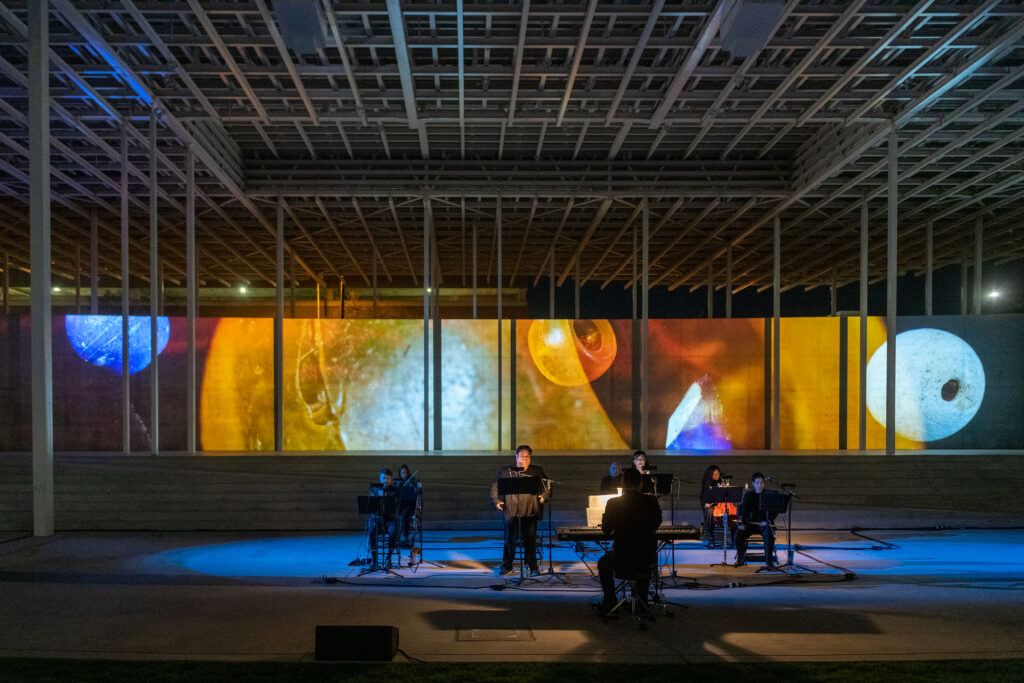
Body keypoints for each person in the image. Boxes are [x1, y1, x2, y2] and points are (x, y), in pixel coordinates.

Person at [594, 467, 663, 616]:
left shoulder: (613, 503)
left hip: (622, 558)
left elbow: (606, 529)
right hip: (647, 557)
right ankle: (642, 602)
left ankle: (610, 602)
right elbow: (656, 523)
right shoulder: (651, 501)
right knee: (644, 558)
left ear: (623, 484)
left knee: (602, 563)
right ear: (640, 484)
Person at [490, 444, 549, 577]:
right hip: (512, 511)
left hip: (530, 511)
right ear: (516, 456)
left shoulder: (537, 471)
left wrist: (543, 497)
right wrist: (497, 501)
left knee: (530, 541)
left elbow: (547, 486)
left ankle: (531, 566)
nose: (525, 458)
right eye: (522, 456)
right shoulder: (507, 471)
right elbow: (495, 487)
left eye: (527, 456)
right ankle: (506, 566)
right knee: (509, 541)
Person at [734, 472, 775, 568]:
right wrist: (743, 523)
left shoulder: (768, 494)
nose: (760, 485)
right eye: (757, 483)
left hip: (764, 524)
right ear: (753, 483)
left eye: (761, 483)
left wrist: (768, 521)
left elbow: (774, 511)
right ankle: (740, 559)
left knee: (769, 536)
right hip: (750, 524)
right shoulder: (749, 495)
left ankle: (769, 562)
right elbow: (743, 510)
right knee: (739, 535)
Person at [369, 467, 399, 566]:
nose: (385, 480)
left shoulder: (395, 490)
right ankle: (374, 559)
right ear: (379, 478)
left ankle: (388, 558)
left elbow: (397, 508)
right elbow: (370, 507)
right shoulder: (374, 489)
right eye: (383, 478)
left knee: (394, 532)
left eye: (387, 478)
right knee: (372, 532)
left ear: (391, 479)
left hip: (390, 520)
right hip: (377, 519)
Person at [396, 464, 420, 546]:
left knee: (405, 514)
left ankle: (405, 536)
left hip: (410, 505)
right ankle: (393, 535)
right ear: (400, 473)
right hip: (399, 505)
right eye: (402, 473)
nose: (404, 475)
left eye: (406, 473)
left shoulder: (412, 481)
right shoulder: (398, 482)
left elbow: (416, 494)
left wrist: (415, 488)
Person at [699, 464, 723, 543]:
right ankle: (710, 535)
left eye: (718, 474)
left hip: (719, 503)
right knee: (709, 511)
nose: (717, 476)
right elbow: (706, 496)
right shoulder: (707, 483)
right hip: (709, 503)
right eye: (714, 474)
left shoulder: (720, 481)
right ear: (710, 474)